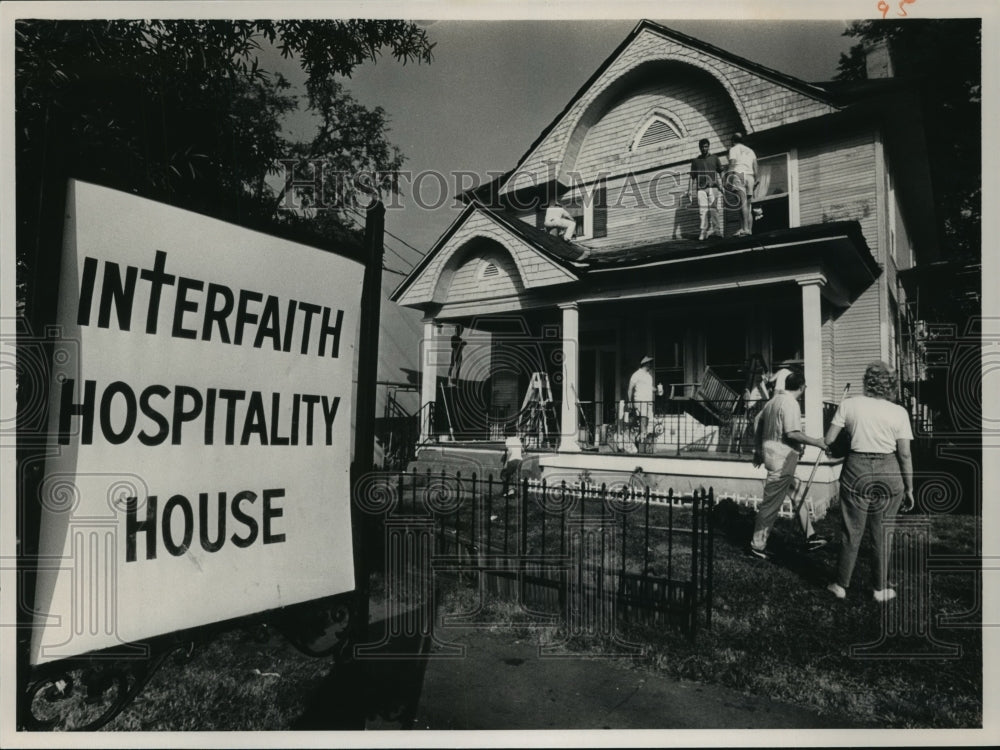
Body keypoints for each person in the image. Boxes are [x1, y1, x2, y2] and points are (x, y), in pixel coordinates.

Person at [824, 361, 915, 602]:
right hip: (889, 470)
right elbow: (904, 454)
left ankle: (841, 585)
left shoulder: (849, 404)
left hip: (856, 469)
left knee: (852, 530)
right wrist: (910, 487)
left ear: (867, 382)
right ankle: (879, 588)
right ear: (891, 385)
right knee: (882, 533)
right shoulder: (899, 412)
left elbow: (829, 439)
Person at [750, 371, 829, 559]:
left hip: (773, 455)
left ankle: (811, 536)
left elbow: (756, 421)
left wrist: (759, 450)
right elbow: (792, 433)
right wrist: (817, 442)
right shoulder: (790, 403)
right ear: (802, 387)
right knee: (771, 504)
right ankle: (757, 546)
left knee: (797, 492)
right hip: (782, 460)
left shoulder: (772, 402)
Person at [688, 138, 724, 240]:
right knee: (702, 211)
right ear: (699, 148)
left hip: (713, 187)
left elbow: (721, 171)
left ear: (708, 147)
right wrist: (689, 190)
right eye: (702, 147)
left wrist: (723, 184)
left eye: (706, 146)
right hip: (701, 189)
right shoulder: (695, 161)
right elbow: (692, 177)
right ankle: (703, 232)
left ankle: (717, 231)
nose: (704, 149)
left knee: (714, 210)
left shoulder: (715, 158)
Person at [726, 131, 758, 237]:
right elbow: (755, 167)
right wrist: (756, 179)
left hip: (740, 174)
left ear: (733, 141)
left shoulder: (733, 149)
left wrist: (728, 178)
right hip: (750, 176)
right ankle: (749, 229)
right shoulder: (750, 150)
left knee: (742, 204)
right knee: (748, 205)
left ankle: (745, 229)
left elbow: (732, 164)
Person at [627, 355, 660, 450]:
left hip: (648, 401)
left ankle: (642, 441)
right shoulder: (636, 374)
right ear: (645, 364)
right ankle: (642, 442)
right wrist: (629, 401)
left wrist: (657, 390)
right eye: (649, 363)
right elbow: (630, 389)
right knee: (643, 420)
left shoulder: (649, 376)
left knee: (646, 421)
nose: (651, 365)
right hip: (640, 400)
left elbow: (650, 388)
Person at [499, 432, 524, 497]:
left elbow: (510, 452)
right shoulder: (517, 439)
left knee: (504, 475)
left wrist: (506, 463)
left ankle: (509, 491)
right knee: (516, 476)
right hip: (520, 460)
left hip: (512, 460)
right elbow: (522, 450)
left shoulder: (508, 440)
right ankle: (516, 492)